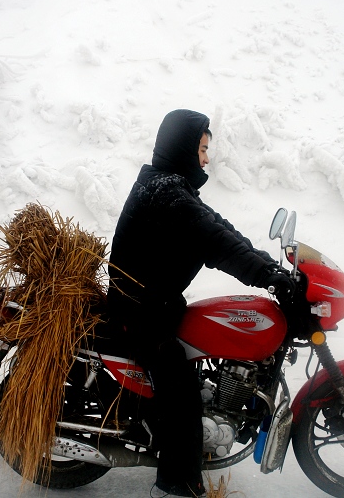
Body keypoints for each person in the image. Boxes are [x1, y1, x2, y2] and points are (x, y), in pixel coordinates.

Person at [107, 109, 294, 497]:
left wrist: (272, 268)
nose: (206, 158)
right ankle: (176, 485)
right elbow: (215, 243)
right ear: (182, 149)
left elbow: (223, 231)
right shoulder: (166, 194)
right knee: (181, 394)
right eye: (202, 149)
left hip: (155, 305)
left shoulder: (171, 187)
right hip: (140, 314)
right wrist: (268, 278)